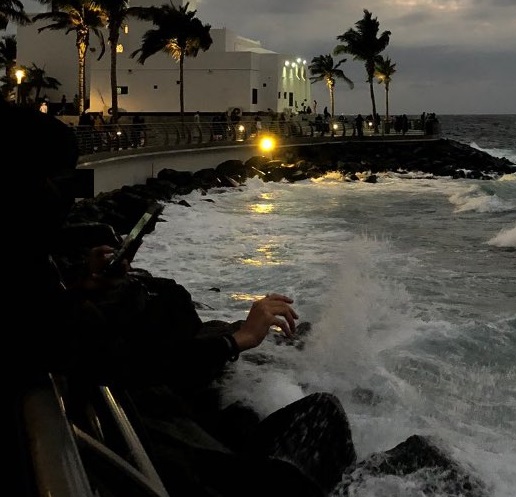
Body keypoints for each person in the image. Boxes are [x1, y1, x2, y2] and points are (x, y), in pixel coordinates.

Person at [5, 100, 357, 497]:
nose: (69, 199)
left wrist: (83, 287)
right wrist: (238, 338)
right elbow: (121, 362)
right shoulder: (22, 281)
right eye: (59, 184)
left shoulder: (28, 268)